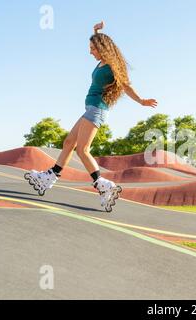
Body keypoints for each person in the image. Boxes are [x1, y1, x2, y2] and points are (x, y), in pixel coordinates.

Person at [24, 21, 157, 211]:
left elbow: (126, 85)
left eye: (93, 48)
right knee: (69, 142)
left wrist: (141, 100)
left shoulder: (112, 66)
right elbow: (101, 43)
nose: (90, 52)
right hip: (91, 108)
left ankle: (104, 185)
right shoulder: (102, 62)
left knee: (83, 150)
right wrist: (96, 32)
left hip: (97, 109)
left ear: (102, 49)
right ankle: (50, 177)